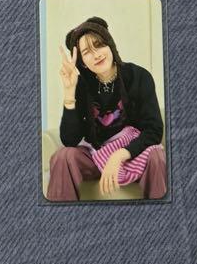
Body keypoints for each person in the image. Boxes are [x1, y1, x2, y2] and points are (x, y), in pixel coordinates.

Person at [46, 16, 166, 201]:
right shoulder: (81, 85)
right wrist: (69, 92)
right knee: (63, 156)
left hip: (132, 151)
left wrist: (119, 155)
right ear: (82, 62)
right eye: (87, 52)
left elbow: (154, 130)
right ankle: (61, 217)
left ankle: (160, 216)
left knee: (157, 156)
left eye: (99, 45)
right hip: (96, 154)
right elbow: (70, 140)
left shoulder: (138, 76)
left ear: (110, 45)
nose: (96, 55)